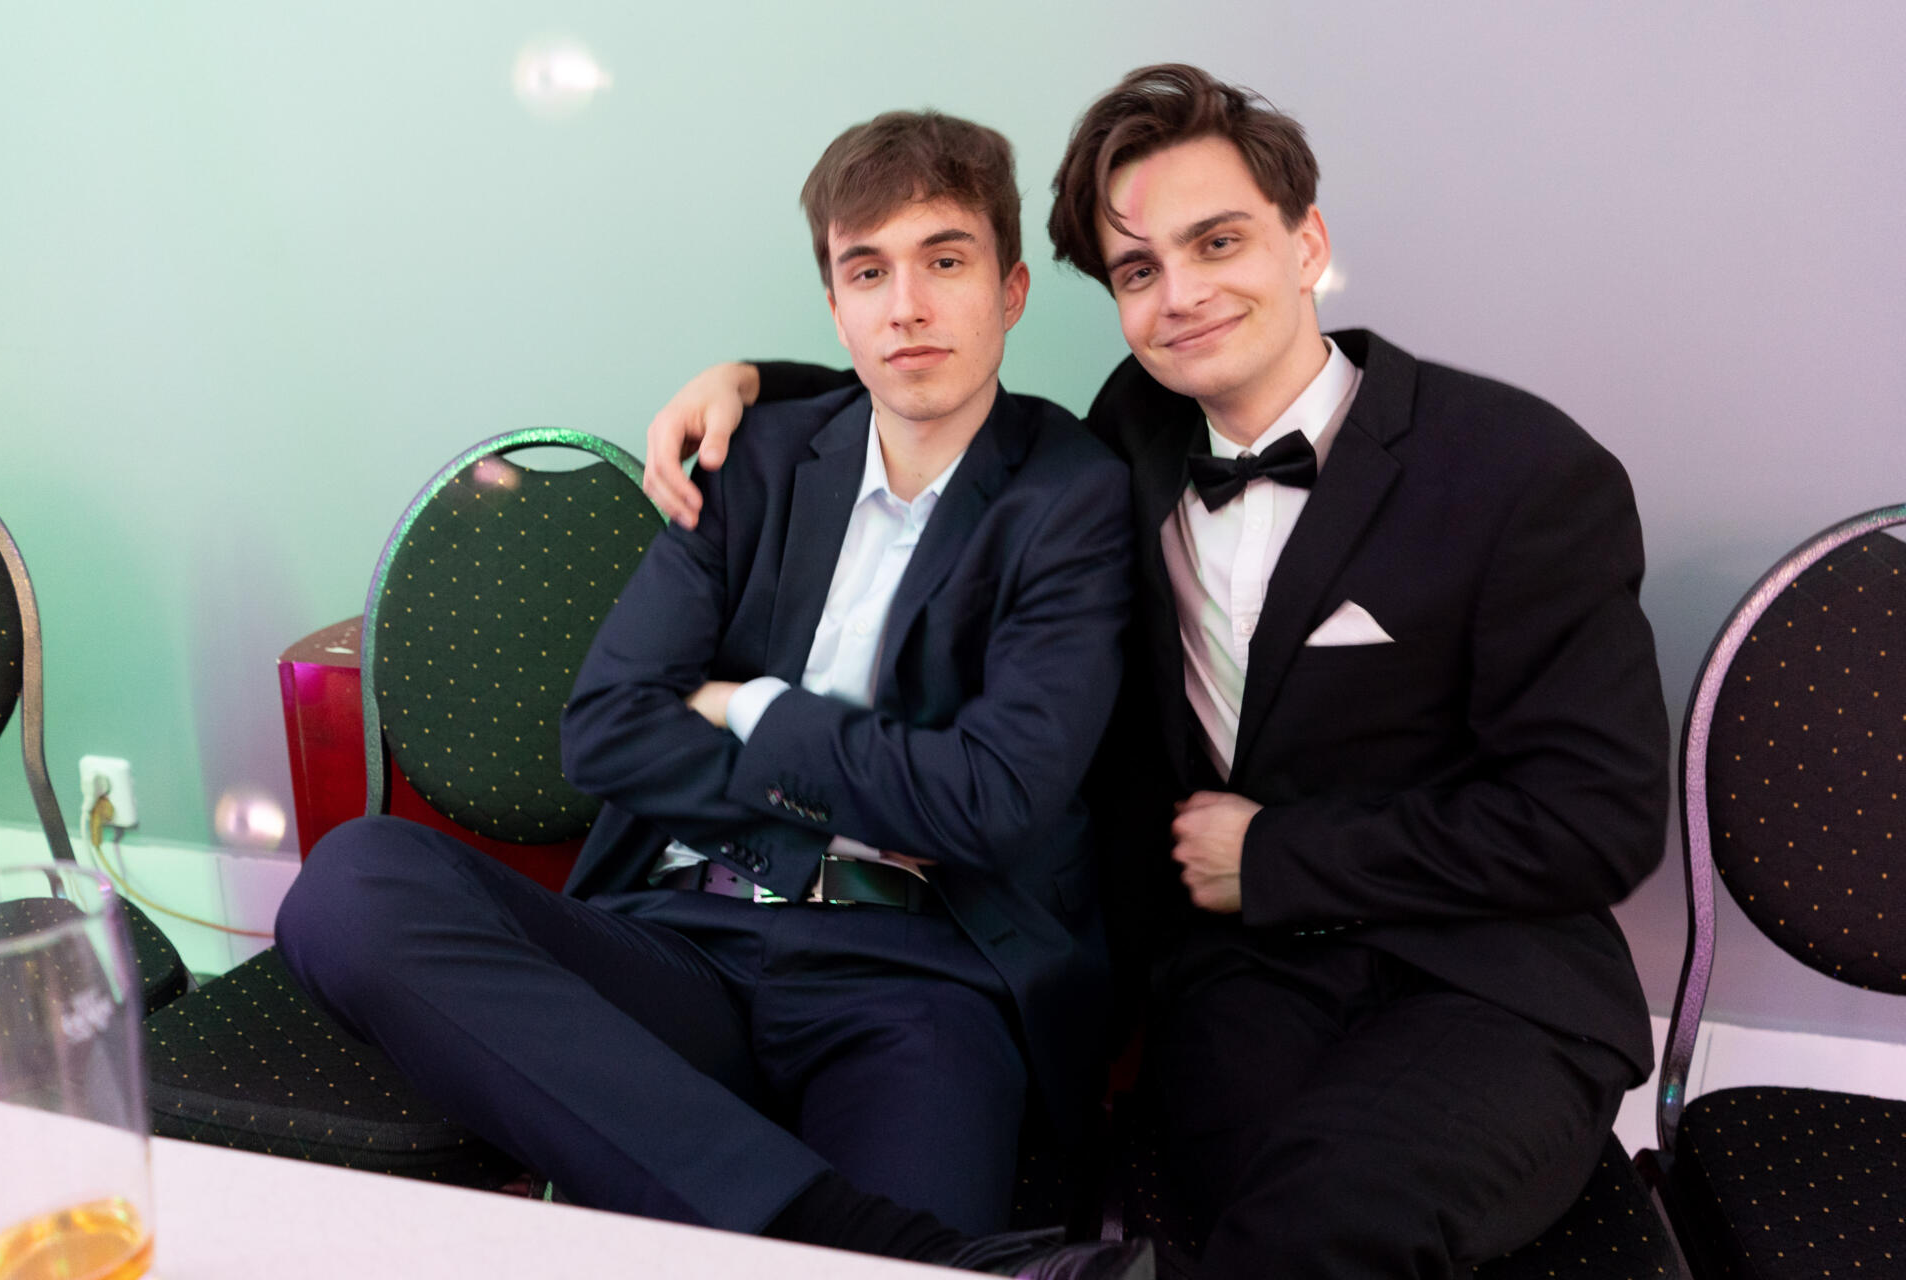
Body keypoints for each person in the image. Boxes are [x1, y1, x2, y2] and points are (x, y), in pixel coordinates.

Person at [638, 64, 1671, 1280]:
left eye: (1217, 241)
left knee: (1335, 1217)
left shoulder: (1521, 470)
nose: (1181, 294)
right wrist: (754, 383)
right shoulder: (1127, 438)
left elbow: (1597, 819)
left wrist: (1275, 853)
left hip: (1488, 978)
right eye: (1138, 271)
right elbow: (938, 392)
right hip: (1241, 977)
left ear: (1306, 242)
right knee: (1247, 1218)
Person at [276, 108, 1156, 1280]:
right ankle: (856, 1242)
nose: (906, 306)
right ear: (835, 305)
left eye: (944, 261)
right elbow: (603, 732)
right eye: (868, 271)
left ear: (1010, 291)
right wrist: (866, 789)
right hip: (685, 939)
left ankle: (746, 1204)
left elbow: (992, 800)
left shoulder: (1071, 493)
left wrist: (748, 708)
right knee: (349, 889)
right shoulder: (757, 458)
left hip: (919, 979)